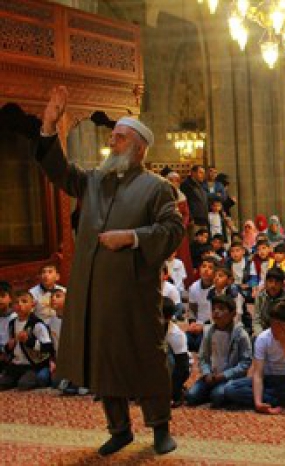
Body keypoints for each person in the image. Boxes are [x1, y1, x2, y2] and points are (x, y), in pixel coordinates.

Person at [35, 86, 184, 455]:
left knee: (147, 358)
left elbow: (173, 230)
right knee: (103, 361)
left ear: (139, 147)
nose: (111, 144)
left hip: (134, 292)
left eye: (119, 138)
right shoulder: (95, 181)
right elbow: (60, 171)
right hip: (93, 291)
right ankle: (119, 429)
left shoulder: (157, 188)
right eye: (112, 138)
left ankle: (160, 428)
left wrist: (131, 237)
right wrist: (48, 127)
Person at [223, 302, 285, 413]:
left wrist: (284, 343)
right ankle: (280, 401)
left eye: (279, 324)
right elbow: (258, 374)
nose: (274, 328)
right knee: (230, 388)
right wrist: (258, 402)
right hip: (267, 379)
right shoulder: (263, 338)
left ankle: (275, 399)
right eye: (272, 323)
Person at [185, 295, 252, 407]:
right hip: (211, 376)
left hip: (230, 378)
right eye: (214, 309)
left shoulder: (241, 335)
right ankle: (209, 392)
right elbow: (202, 357)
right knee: (191, 397)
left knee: (218, 397)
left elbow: (245, 363)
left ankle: (216, 394)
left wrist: (224, 375)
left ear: (232, 314)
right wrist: (206, 373)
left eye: (221, 309)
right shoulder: (208, 332)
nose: (216, 312)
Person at [0, 290, 54, 391]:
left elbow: (47, 347)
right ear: (13, 306)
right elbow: (9, 348)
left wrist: (29, 341)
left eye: (24, 301)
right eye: (17, 302)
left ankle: (42, 375)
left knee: (24, 385)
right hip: (16, 364)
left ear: (32, 305)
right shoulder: (12, 323)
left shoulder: (37, 324)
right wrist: (8, 347)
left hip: (32, 365)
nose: (20, 305)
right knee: (3, 383)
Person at [180, 164, 209, 238]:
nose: (203, 175)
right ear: (193, 173)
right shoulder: (186, 185)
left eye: (203, 173)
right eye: (200, 172)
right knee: (194, 241)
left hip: (203, 219)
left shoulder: (202, 185)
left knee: (204, 243)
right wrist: (190, 218)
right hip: (194, 220)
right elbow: (186, 203)